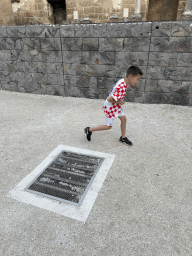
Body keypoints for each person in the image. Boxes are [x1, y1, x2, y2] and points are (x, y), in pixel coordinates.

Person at [84, 65, 143, 146]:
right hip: (110, 107)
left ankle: (123, 138)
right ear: (131, 77)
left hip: (115, 106)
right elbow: (109, 99)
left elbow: (119, 87)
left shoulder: (124, 81)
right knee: (108, 126)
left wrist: (127, 85)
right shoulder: (121, 87)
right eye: (137, 79)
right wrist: (120, 102)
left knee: (123, 119)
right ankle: (89, 130)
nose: (137, 81)